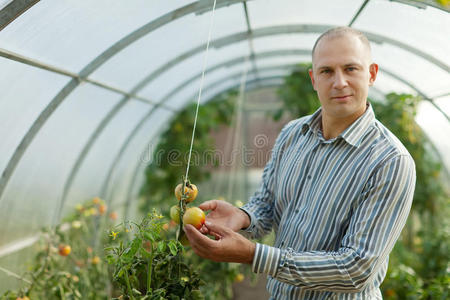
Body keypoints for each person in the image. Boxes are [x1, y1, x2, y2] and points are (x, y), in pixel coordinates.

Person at [183, 26, 416, 299]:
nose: (339, 82)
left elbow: (356, 270)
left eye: (351, 68)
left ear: (372, 74)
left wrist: (254, 255)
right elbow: (267, 202)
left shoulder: (390, 161)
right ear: (313, 79)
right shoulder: (293, 134)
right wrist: (243, 216)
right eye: (326, 71)